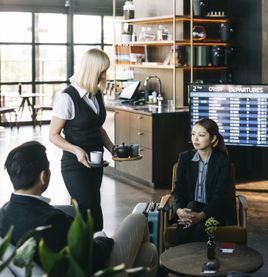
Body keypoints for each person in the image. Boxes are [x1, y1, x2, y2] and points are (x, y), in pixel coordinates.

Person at [0, 141, 158, 276]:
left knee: (148, 253)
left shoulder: (4, 213)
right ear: (43, 176)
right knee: (138, 218)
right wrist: (101, 239)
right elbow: (94, 256)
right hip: (97, 270)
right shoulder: (52, 221)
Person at [49, 48, 114, 231]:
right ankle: (91, 253)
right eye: (102, 70)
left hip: (95, 163)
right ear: (92, 69)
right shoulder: (67, 97)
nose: (104, 74)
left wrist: (112, 148)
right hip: (74, 165)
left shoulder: (96, 94)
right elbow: (53, 135)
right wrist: (77, 150)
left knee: (93, 209)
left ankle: (93, 252)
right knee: (88, 213)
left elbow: (97, 128)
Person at [171, 118, 236, 245]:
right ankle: (192, 263)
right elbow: (177, 191)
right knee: (194, 209)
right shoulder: (185, 158)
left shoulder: (222, 162)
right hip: (188, 212)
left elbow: (220, 198)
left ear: (213, 139)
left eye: (201, 135)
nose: (195, 139)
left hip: (213, 213)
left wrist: (200, 216)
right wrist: (179, 211)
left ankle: (173, 260)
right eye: (193, 134)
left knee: (198, 223)